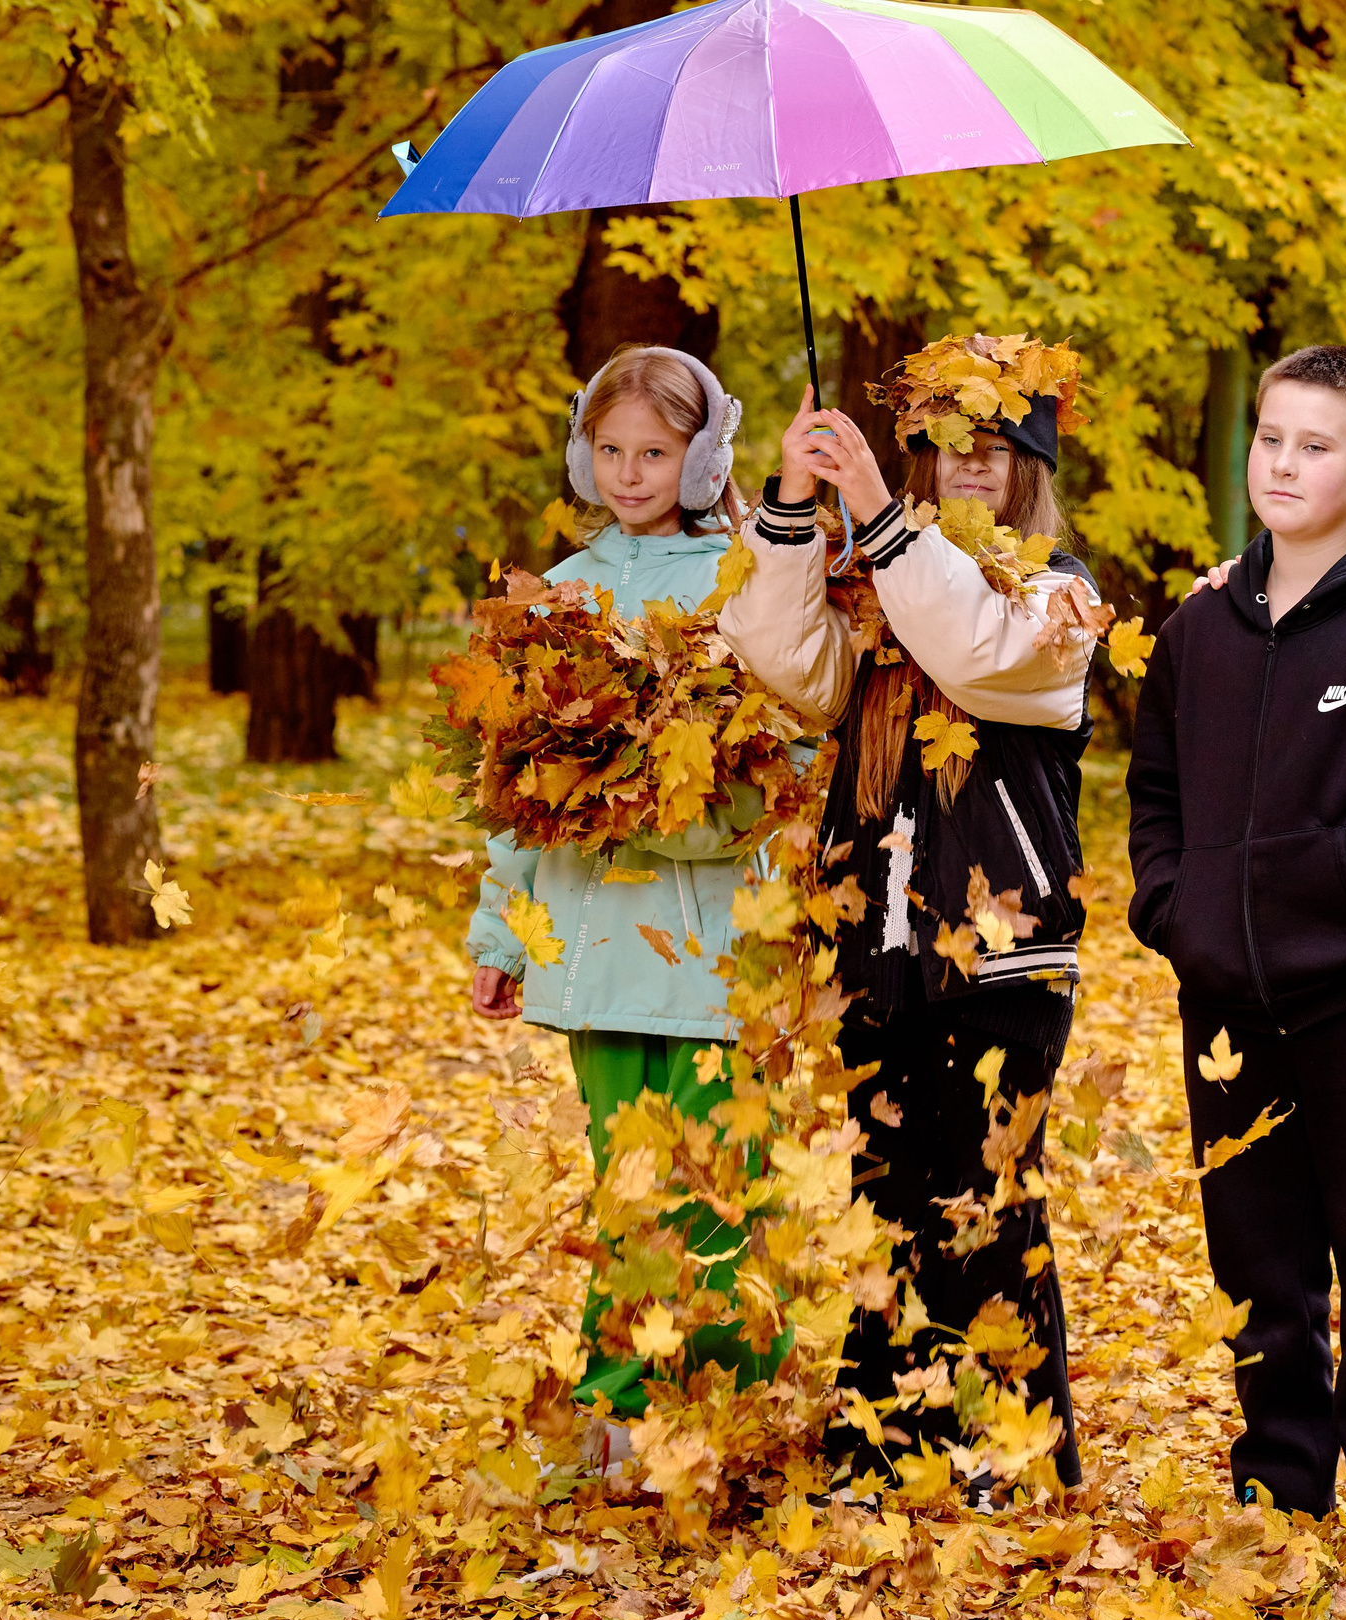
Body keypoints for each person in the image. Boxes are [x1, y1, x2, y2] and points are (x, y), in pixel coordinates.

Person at [717, 333, 1100, 1506]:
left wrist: (881, 519)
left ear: (1031, 466)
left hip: (1005, 946)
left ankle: (1012, 1451)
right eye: (945, 444)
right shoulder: (879, 582)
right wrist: (796, 503)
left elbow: (974, 653)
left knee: (985, 1193)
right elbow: (788, 665)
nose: (970, 463)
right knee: (885, 1191)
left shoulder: (1061, 597)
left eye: (996, 445)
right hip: (874, 940)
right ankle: (884, 1444)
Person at [1125, 344, 1346, 1540]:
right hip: (1226, 1009)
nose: (1282, 463)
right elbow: (1154, 793)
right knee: (1256, 1265)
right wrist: (1172, 910)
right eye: (1270, 438)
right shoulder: (1199, 628)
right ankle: (1278, 1492)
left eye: (1315, 446)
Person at [464, 345, 784, 1434]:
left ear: (704, 459)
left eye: (655, 452)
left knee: (720, 1188)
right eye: (610, 451)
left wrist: (679, 809)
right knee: (629, 1189)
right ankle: (620, 1407)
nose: (630, 473)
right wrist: (502, 937)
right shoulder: (558, 591)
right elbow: (513, 791)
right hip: (597, 943)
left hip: (713, 945)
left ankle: (734, 1405)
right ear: (580, 455)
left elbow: (781, 756)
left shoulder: (744, 578)